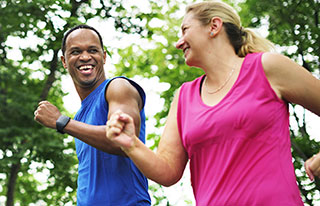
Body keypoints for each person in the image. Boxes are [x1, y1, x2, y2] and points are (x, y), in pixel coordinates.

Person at [106, 1, 320, 205]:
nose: (178, 43)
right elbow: (168, 171)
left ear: (214, 26)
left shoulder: (266, 67)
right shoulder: (184, 97)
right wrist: (132, 144)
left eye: (185, 30)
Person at [34, 25, 151, 206]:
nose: (85, 57)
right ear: (64, 61)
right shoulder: (80, 116)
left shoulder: (118, 87)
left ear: (104, 57)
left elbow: (125, 141)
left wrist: (62, 122)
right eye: (75, 51)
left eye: (93, 50)